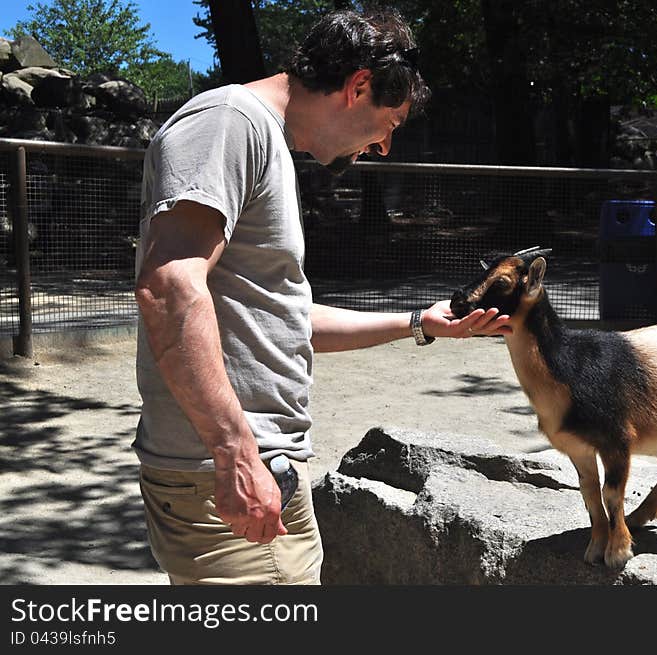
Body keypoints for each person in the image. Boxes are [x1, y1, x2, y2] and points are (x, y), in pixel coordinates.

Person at [133, 7, 510, 585]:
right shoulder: (231, 122)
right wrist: (235, 453)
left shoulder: (262, 140)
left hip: (254, 466)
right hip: (231, 470)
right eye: (393, 120)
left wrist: (419, 323)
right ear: (358, 86)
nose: (386, 145)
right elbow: (169, 286)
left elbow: (284, 321)